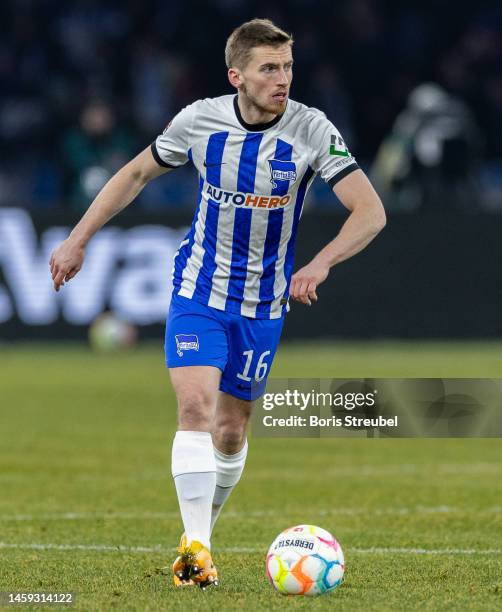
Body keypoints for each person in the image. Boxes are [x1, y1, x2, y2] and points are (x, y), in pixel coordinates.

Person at [49, 19, 386, 589]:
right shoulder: (199, 121)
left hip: (263, 302)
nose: (283, 79)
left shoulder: (311, 128)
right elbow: (133, 174)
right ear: (237, 76)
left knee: (231, 430)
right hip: (198, 291)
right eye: (269, 69)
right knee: (195, 412)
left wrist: (321, 261)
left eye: (287, 67)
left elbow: (370, 211)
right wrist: (78, 238)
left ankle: (203, 529)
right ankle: (196, 550)